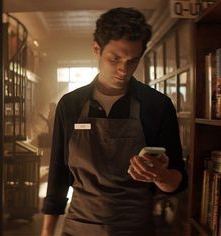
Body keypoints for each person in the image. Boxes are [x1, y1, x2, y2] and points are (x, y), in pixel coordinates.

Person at [41, 7, 188, 236]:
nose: (123, 69)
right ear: (96, 49)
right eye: (115, 59)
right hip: (79, 226)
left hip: (136, 227)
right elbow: (58, 175)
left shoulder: (157, 106)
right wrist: (47, 232)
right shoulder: (70, 105)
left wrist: (160, 175)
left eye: (132, 61)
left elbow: (177, 182)